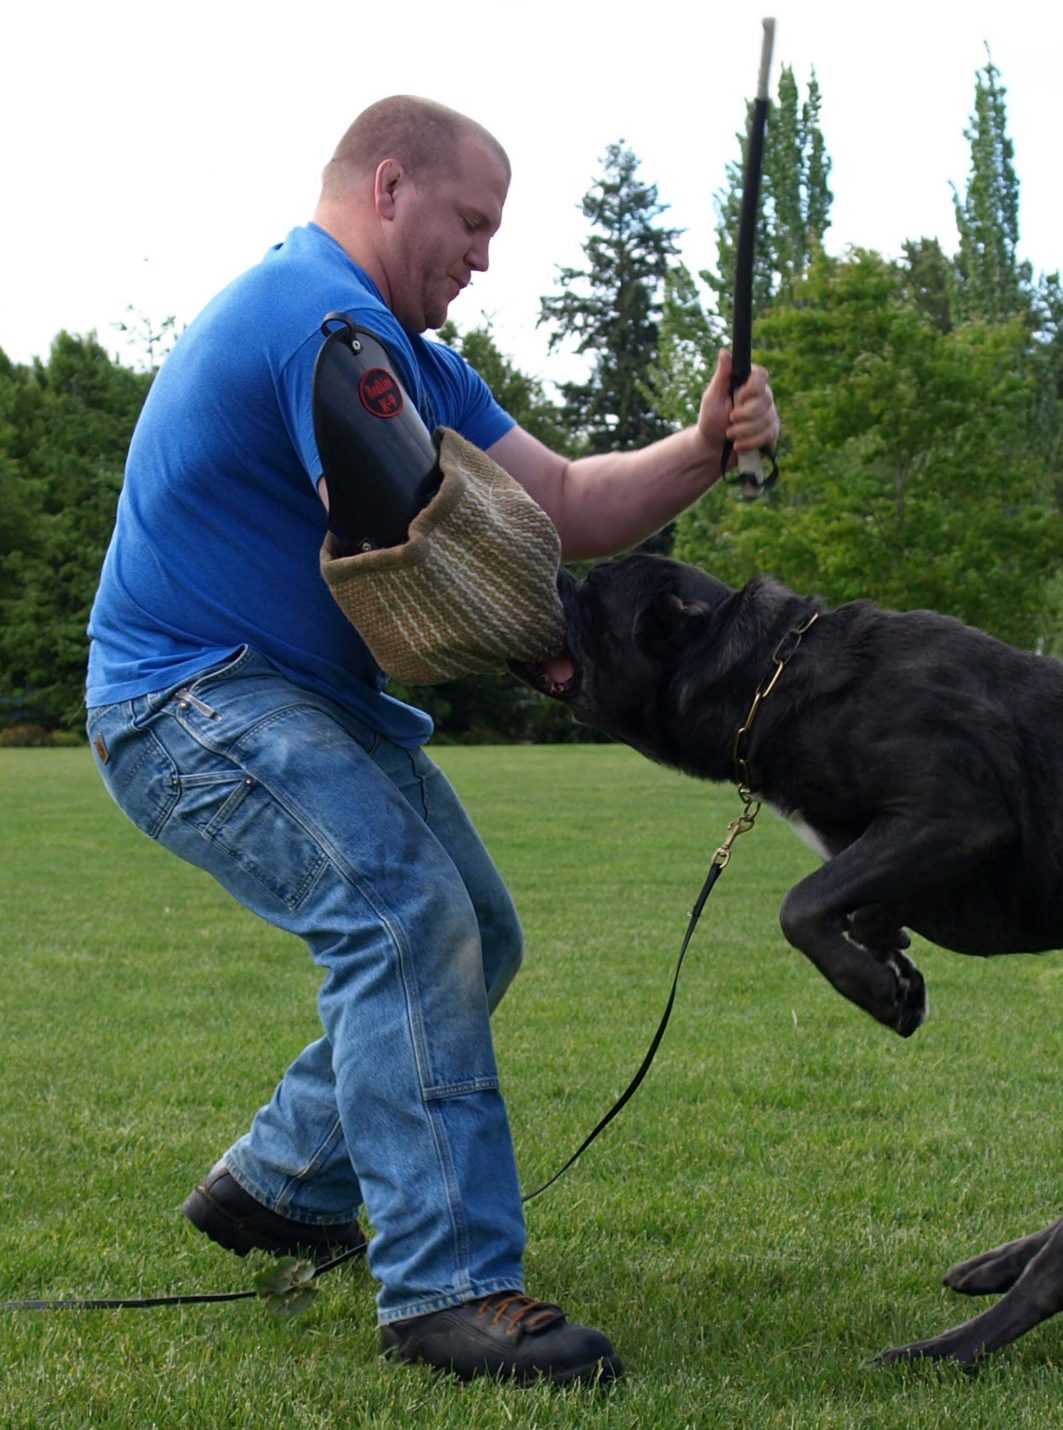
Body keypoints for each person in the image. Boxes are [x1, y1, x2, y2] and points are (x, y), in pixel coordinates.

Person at [84, 95, 779, 1385]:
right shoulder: (321, 328)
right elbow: (442, 550)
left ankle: (280, 1182)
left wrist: (699, 445)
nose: (485, 252)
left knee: (481, 928)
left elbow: (561, 503)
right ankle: (445, 1292)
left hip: (303, 702)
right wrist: (578, 664)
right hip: (189, 700)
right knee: (408, 916)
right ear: (388, 186)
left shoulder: (407, 353)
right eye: (473, 221)